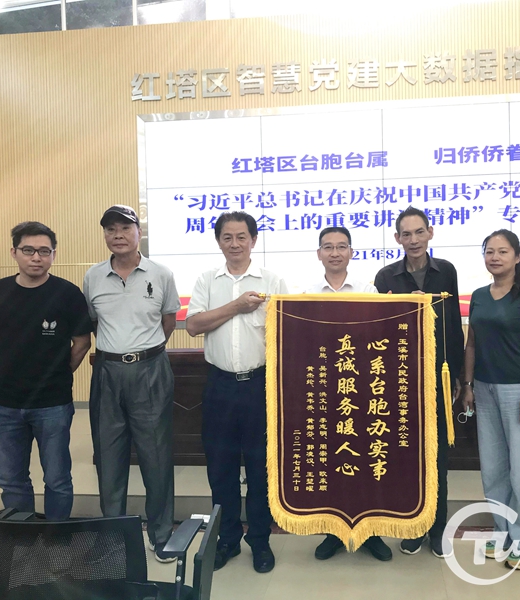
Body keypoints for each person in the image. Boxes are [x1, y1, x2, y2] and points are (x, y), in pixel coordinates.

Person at [186, 211, 288, 573]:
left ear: (253, 240)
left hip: (260, 385)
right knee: (221, 468)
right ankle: (227, 539)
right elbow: (193, 325)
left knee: (261, 468)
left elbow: (286, 333)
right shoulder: (206, 280)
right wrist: (237, 306)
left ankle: (259, 540)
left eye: (241, 237)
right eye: (227, 237)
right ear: (219, 242)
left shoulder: (272, 280)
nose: (234, 244)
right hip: (219, 385)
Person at [83, 205, 180, 563]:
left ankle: (161, 535)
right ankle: (113, 539)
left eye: (125, 228)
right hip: (107, 372)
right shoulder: (93, 277)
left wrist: (142, 351)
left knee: (156, 456)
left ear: (139, 232)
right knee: (108, 457)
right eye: (111, 229)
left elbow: (168, 321)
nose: (118, 235)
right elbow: (94, 323)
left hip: (150, 369)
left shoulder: (161, 274)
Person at [0, 221, 92, 521]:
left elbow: (82, 341)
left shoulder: (67, 293)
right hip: (5, 403)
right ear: (14, 252)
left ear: (54, 254)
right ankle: (21, 539)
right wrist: (6, 369)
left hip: (53, 403)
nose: (36, 257)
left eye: (44, 251)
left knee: (57, 478)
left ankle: (55, 538)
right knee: (11, 479)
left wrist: (59, 372)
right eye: (28, 250)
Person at [374, 206, 465, 558]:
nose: (413, 240)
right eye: (406, 234)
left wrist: (457, 376)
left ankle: (439, 527)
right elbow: (378, 331)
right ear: (397, 238)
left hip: (439, 377)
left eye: (419, 232)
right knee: (406, 457)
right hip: (400, 382)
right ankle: (415, 526)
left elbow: (453, 325)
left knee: (437, 457)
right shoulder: (386, 277)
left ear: (430, 233)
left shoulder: (447, 271)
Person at [461, 229, 520, 571]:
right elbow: (472, 344)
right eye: (489, 252)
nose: (495, 257)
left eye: (502, 251)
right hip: (484, 389)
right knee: (494, 469)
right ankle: (505, 534)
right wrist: (468, 385)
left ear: (517, 256)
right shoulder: (479, 296)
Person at [308, 226, 392, 562]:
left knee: (368, 460)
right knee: (331, 461)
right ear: (319, 254)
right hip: (325, 389)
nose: (335, 253)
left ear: (351, 252)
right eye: (328, 247)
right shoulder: (307, 293)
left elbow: (379, 333)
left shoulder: (368, 290)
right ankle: (334, 532)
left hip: (363, 390)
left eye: (341, 246)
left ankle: (371, 532)